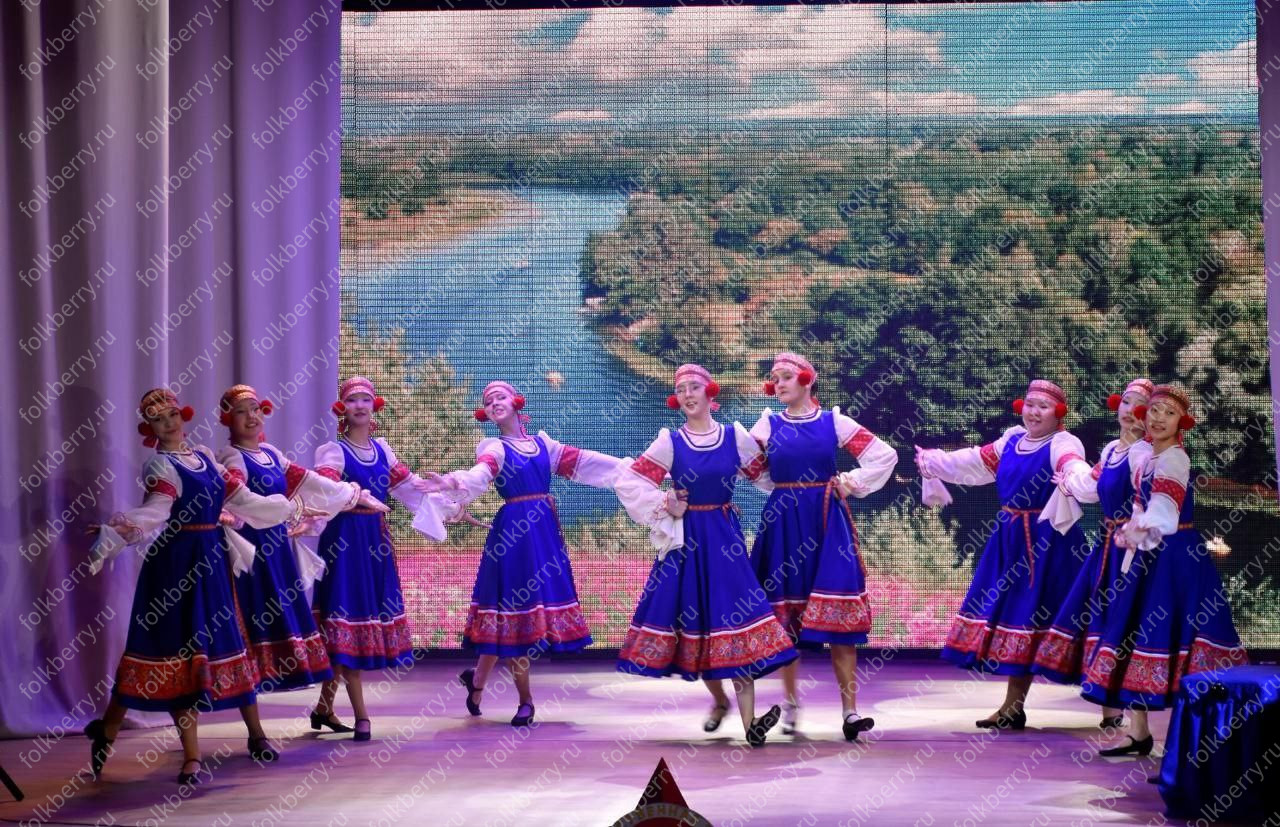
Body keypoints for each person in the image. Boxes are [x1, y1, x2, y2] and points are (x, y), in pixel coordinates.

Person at [85, 388, 308, 785]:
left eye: (172, 415)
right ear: (149, 429)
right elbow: (157, 510)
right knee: (175, 652)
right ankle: (187, 754)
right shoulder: (159, 465)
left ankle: (256, 734)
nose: (168, 424)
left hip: (211, 561)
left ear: (183, 416)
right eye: (158, 420)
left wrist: (288, 507)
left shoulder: (205, 456)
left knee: (230, 644)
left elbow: (242, 498)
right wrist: (120, 530)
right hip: (174, 566)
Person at [614, 363, 797, 746]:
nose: (687, 394)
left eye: (694, 387)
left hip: (724, 541)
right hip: (687, 543)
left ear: (710, 392)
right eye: (681, 389)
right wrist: (665, 501)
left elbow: (766, 477)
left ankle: (750, 725)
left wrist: (805, 487)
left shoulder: (735, 437)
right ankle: (721, 701)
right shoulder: (670, 442)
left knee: (736, 621)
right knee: (698, 625)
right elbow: (629, 481)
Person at [418, 381, 620, 727]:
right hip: (513, 535)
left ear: (515, 402)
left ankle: (476, 681)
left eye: (500, 397)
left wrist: (634, 469)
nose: (494, 403)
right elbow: (482, 473)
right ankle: (526, 701)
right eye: (488, 401)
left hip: (542, 533)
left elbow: (587, 462)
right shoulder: (494, 448)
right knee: (512, 613)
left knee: (506, 618)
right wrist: (451, 482)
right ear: (486, 413)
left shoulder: (543, 445)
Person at [215, 384, 390, 754]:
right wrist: (292, 509)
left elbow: (310, 482)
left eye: (255, 409)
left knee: (283, 632)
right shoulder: (231, 458)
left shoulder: (271, 455)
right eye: (242, 411)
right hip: (251, 557)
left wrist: (353, 494)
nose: (251, 417)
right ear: (228, 419)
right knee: (249, 637)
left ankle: (321, 709)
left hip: (277, 552)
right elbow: (244, 502)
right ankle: (256, 733)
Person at [914, 379, 1092, 730]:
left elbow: (1073, 467)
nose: (1034, 412)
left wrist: (1080, 479)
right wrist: (936, 461)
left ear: (1058, 413)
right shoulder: (1012, 440)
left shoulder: (1063, 443)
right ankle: (1012, 706)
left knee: (1073, 619)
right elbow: (974, 461)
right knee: (1018, 619)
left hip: (1051, 543)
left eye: (1043, 407)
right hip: (1011, 540)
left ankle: (1110, 707)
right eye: (1030, 405)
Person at [1084, 384, 1248, 756]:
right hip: (1150, 555)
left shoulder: (1174, 459)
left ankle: (1194, 747)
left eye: (1169, 413)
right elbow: (1142, 506)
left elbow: (1164, 511)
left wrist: (1139, 528)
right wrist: (1135, 528)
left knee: (1176, 640)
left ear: (1181, 423)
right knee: (1137, 634)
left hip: (1176, 559)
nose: (1158, 418)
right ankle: (1140, 733)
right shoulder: (1146, 457)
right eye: (1154, 411)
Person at [750, 352, 897, 740]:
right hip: (784, 521)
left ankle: (850, 712)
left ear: (806, 380)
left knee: (840, 619)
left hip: (827, 521)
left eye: (785, 377)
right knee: (786, 619)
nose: (778, 384)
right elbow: (749, 466)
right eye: (774, 378)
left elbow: (884, 456)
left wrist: (850, 483)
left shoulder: (834, 421)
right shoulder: (768, 423)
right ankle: (790, 704)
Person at [308, 376, 447, 741]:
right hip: (344, 542)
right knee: (345, 618)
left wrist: (449, 500)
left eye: (365, 400)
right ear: (342, 408)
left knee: (352, 624)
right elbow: (325, 489)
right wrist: (354, 494)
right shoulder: (334, 452)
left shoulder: (383, 451)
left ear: (374, 407)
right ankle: (361, 715)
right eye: (352, 400)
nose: (359, 405)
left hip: (374, 542)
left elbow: (411, 489)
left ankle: (323, 707)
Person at [1032, 378, 1153, 732]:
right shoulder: (1113, 450)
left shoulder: (1146, 453)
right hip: (1109, 548)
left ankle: (1138, 722)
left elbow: (1149, 501)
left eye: (1140, 406)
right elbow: (1090, 487)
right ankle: (1109, 709)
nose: (1130, 411)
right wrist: (1069, 480)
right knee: (1102, 620)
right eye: (1126, 402)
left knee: (1129, 623)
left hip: (1136, 549)